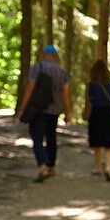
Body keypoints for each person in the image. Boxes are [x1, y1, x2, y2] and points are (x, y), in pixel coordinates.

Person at [16, 45, 71, 183]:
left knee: (37, 138)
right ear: (55, 56)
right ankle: (51, 167)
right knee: (51, 138)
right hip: (54, 111)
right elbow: (66, 94)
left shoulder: (37, 68)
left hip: (38, 110)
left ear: (43, 55)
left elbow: (30, 88)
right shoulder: (62, 71)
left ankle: (42, 167)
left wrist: (23, 108)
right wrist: (67, 113)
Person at [84, 58, 110, 182]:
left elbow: (90, 99)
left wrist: (86, 114)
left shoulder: (91, 84)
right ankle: (108, 168)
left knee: (97, 143)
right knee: (109, 144)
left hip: (96, 113)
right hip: (108, 113)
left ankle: (99, 168)